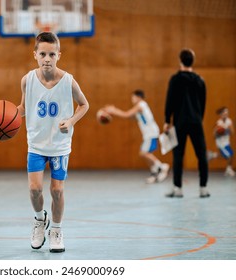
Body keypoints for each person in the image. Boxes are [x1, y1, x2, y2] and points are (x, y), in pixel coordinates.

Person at [17, 32, 89, 253]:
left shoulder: (68, 80)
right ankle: (40, 220)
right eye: (42, 54)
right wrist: (6, 117)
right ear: (35, 55)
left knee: (57, 191)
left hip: (59, 146)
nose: (47, 58)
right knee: (34, 189)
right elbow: (23, 108)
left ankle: (56, 230)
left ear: (59, 55)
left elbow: (84, 105)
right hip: (36, 145)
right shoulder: (27, 80)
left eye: (51, 54)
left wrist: (71, 120)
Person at [163, 49, 209, 198]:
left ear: (180, 60)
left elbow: (170, 101)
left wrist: (166, 120)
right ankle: (203, 188)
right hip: (196, 121)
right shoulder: (200, 80)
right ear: (193, 60)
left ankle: (178, 189)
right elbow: (203, 103)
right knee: (201, 155)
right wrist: (198, 117)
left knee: (178, 155)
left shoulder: (175, 79)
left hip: (180, 122)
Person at [102, 90, 169, 184]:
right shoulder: (141, 107)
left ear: (138, 97)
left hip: (151, 133)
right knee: (146, 154)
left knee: (143, 153)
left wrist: (113, 110)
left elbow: (126, 114)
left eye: (133, 97)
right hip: (148, 133)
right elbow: (130, 117)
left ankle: (162, 167)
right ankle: (154, 173)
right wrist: (113, 113)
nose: (132, 99)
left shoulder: (140, 105)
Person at [210, 107, 236, 177]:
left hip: (226, 142)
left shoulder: (229, 121)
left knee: (228, 156)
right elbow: (214, 134)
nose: (226, 113)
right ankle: (228, 169)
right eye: (224, 112)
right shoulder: (219, 122)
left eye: (227, 112)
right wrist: (219, 132)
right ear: (221, 114)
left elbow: (232, 132)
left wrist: (225, 130)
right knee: (230, 155)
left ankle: (213, 155)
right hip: (220, 143)